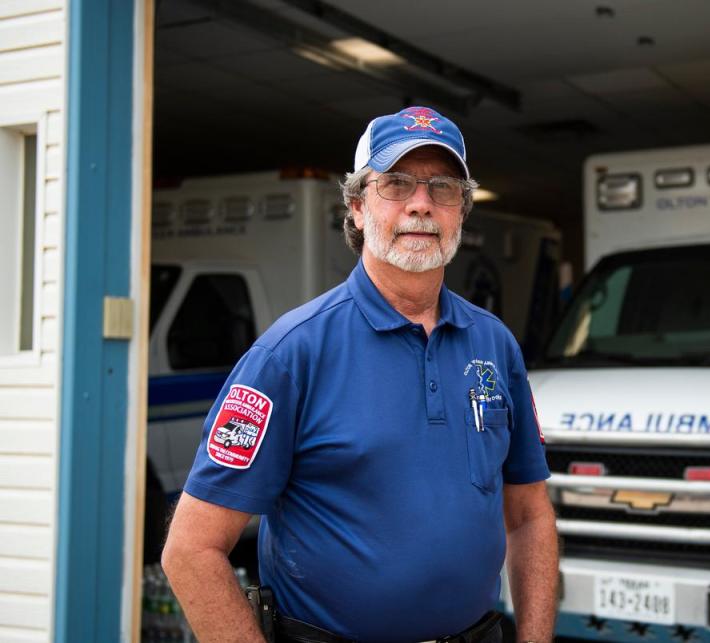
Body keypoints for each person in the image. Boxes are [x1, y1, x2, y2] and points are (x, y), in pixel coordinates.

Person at [162, 105, 559, 643]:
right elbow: (191, 551)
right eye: (395, 184)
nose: (421, 204)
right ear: (355, 205)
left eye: (443, 188)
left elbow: (530, 516)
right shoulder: (290, 354)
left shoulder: (494, 345)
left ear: (461, 212)